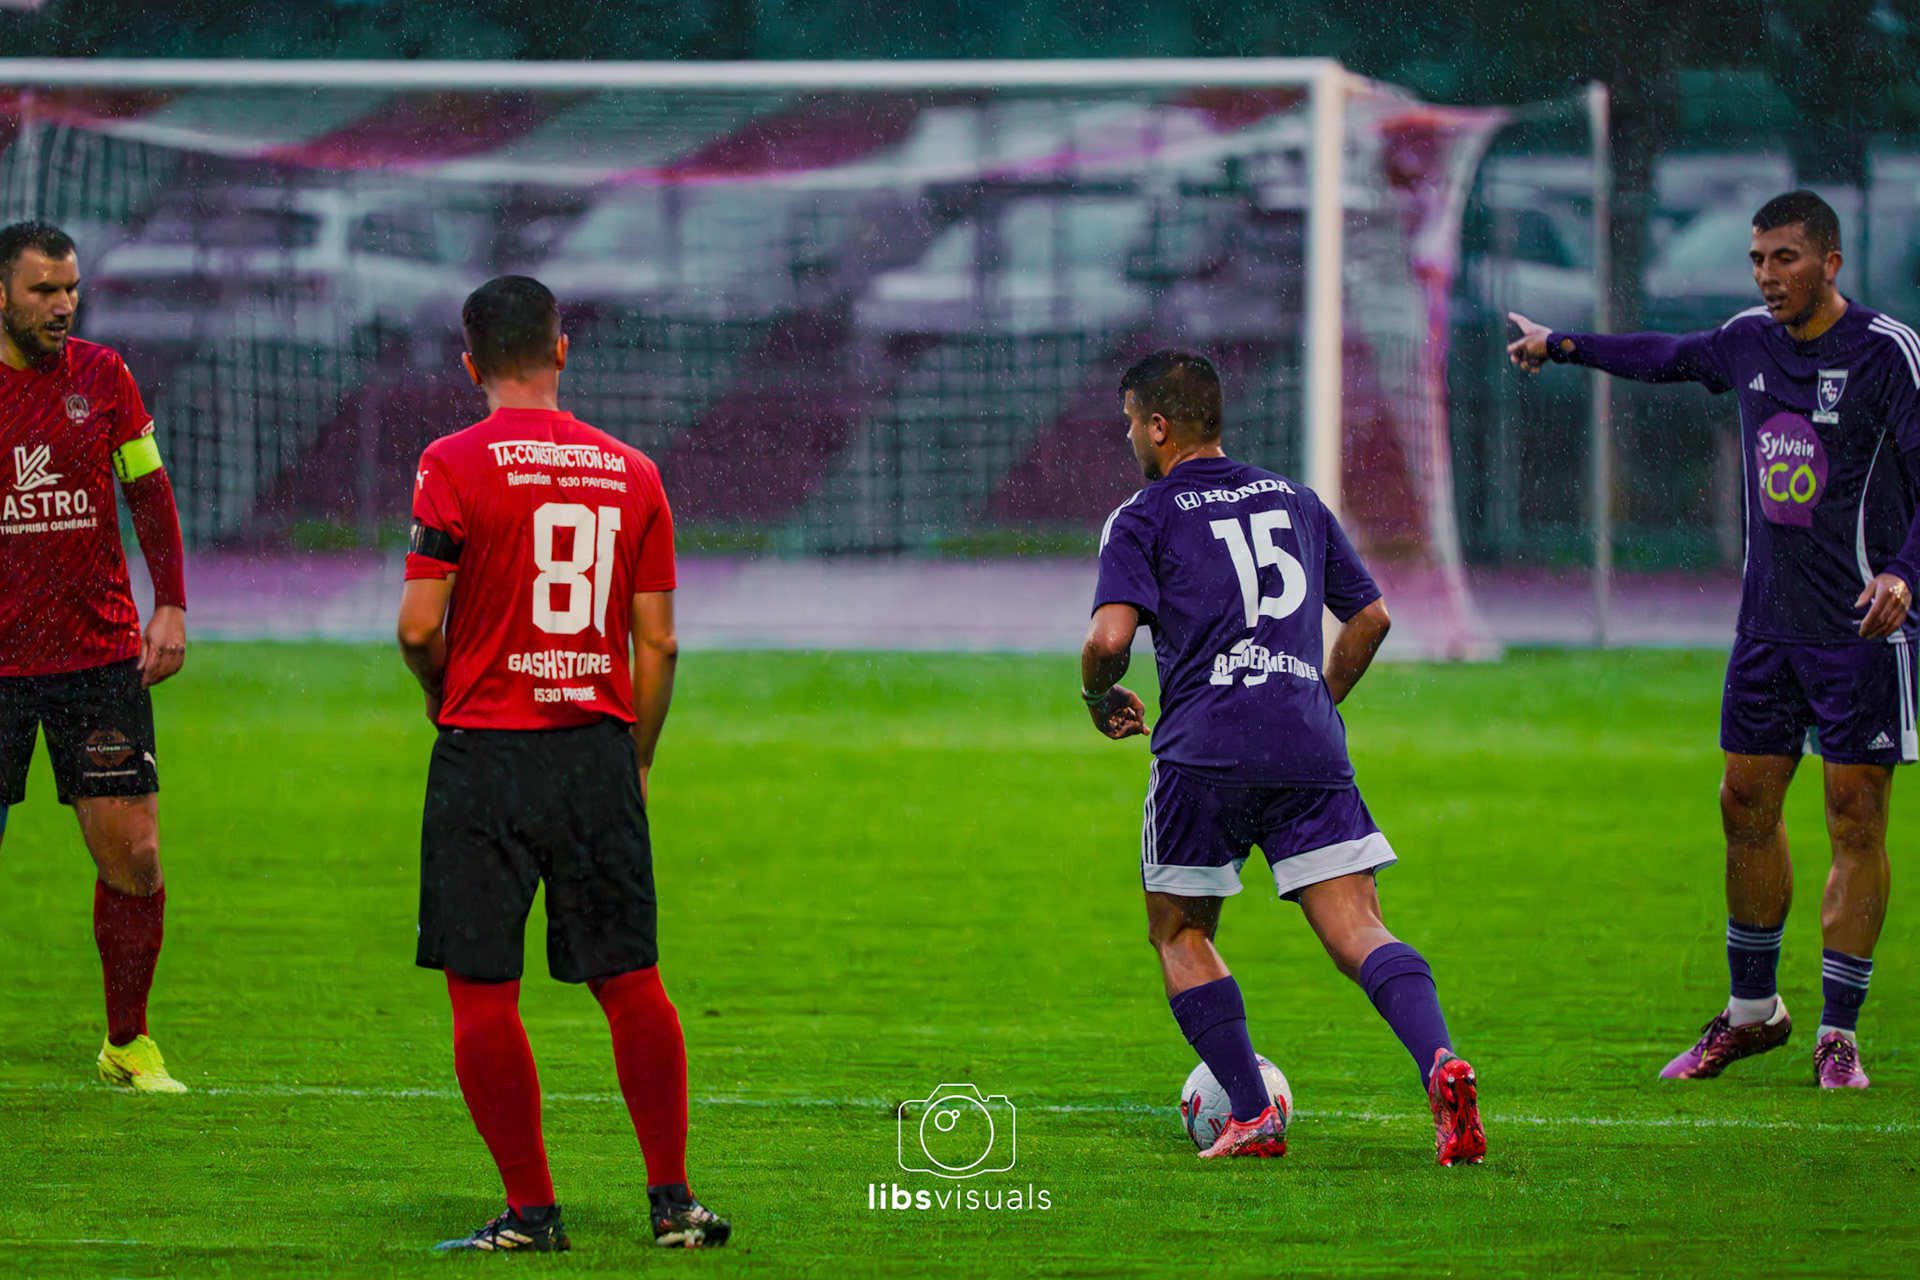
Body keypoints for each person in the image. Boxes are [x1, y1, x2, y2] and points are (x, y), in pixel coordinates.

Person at [1508, 189, 1916, 1090]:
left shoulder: (1886, 352)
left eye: (1787, 259)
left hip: (1859, 631)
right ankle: (1752, 1014)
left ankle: (1838, 1033)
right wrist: (1564, 345)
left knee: (1856, 818)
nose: (1769, 276)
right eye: (1759, 260)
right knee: (1743, 806)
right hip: (1766, 629)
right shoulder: (1747, 340)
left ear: (1831, 264)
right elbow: (1668, 356)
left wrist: (1904, 576)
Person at [1081, 349, 1485, 1165]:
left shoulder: (1143, 514)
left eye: (1130, 421)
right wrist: (1311, 701)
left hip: (1203, 752)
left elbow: (1109, 639)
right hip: (1306, 746)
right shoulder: (1296, 500)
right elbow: (1369, 618)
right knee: (1361, 930)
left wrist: (1097, 695)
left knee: (1180, 930)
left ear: (1158, 426)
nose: (1128, 435)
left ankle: (1254, 1114)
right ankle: (1441, 1063)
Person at [397, 275, 729, 1253]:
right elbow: (659, 644)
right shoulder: (632, 470)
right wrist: (634, 756)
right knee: (631, 980)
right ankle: (674, 1201)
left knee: (483, 989)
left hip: (486, 753)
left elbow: (420, 625)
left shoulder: (451, 461)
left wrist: (441, 690)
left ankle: (533, 1212)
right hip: (593, 753)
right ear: (562, 349)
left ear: (470, 363)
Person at [0, 220, 188, 1094]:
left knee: (137, 858)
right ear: (1, 293)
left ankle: (126, 1042)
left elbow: (147, 491)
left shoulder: (104, 377)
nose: (63, 305)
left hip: (95, 659)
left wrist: (172, 603)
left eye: (70, 288)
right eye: (43, 290)